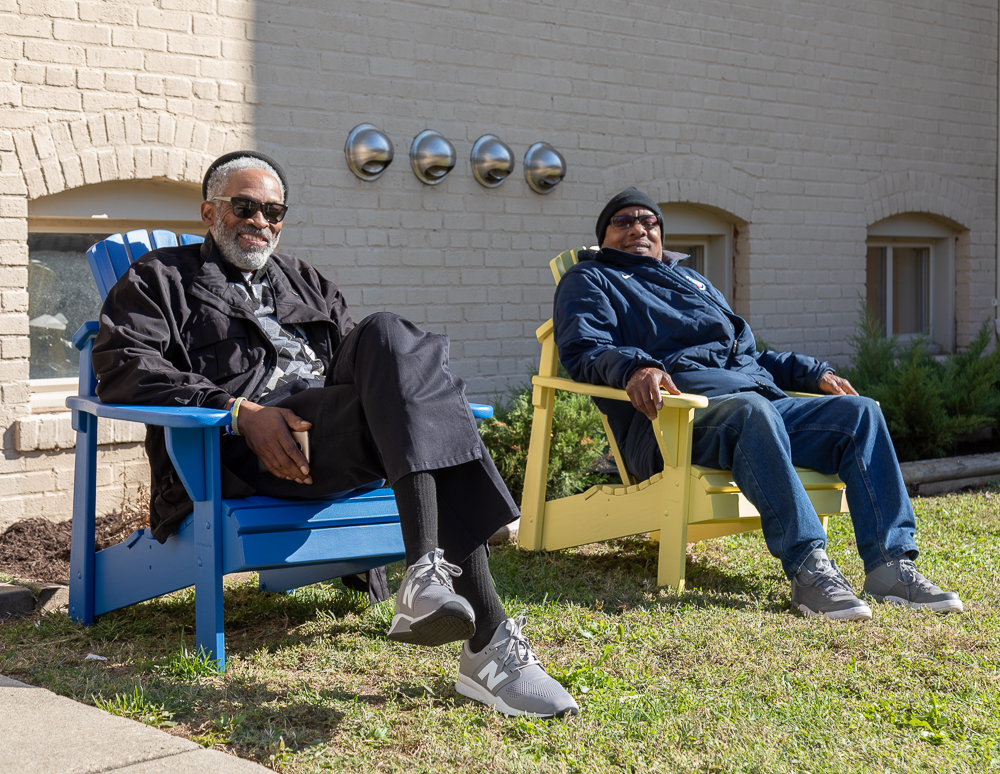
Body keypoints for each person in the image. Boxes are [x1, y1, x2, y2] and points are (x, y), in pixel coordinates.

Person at [92, 150, 578, 718]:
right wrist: (236, 409)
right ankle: (489, 650)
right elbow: (123, 365)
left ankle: (424, 575)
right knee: (423, 401)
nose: (261, 222)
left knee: (391, 334)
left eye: (274, 212)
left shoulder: (304, 279)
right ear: (210, 211)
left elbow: (372, 362)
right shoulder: (160, 280)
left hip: (335, 436)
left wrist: (404, 378)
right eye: (245, 207)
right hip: (250, 452)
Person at [553, 187, 964, 621]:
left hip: (756, 404)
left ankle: (890, 568)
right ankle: (809, 570)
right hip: (671, 421)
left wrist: (810, 372)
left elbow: (747, 356)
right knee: (752, 411)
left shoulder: (692, 281)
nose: (639, 227)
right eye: (624, 221)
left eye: (649, 221)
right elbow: (584, 349)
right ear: (604, 236)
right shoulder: (591, 279)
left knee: (860, 414)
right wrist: (637, 368)